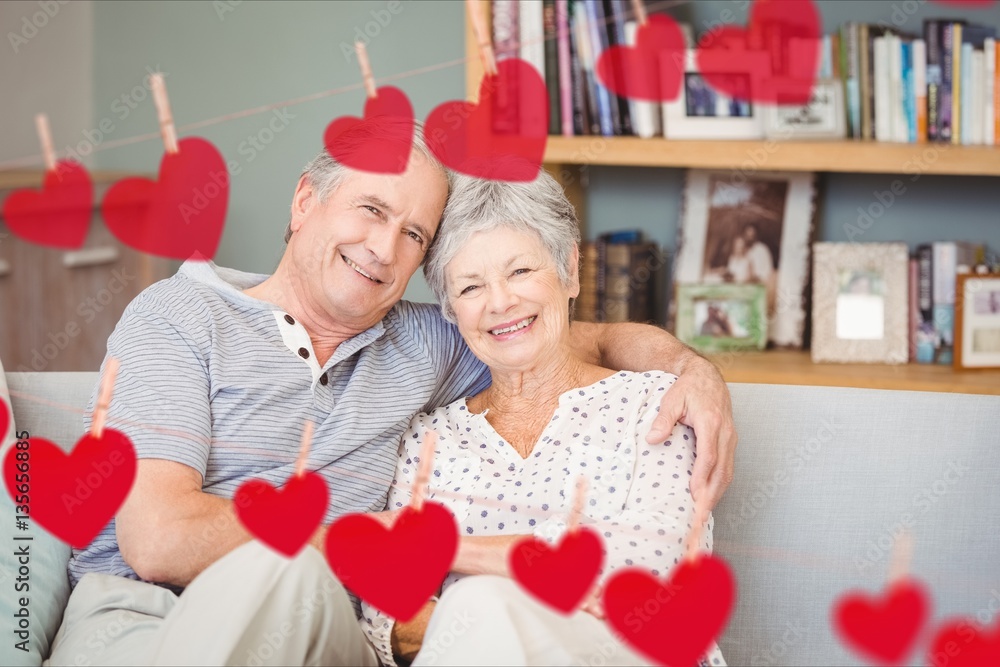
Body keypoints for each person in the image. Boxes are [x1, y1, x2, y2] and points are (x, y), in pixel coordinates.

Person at [45, 121, 736, 665]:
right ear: (305, 200)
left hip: (318, 632)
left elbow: (555, 330)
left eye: (413, 234)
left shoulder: (425, 340)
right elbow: (158, 539)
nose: (383, 248)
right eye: (371, 209)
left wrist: (690, 366)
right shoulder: (180, 316)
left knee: (303, 582)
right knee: (284, 571)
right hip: (146, 624)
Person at [360, 171, 726, 667]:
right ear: (450, 310)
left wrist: (447, 553)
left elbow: (654, 563)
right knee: (479, 612)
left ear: (569, 271)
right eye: (470, 287)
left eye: (520, 272)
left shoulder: (658, 404)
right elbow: (384, 613)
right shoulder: (429, 438)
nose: (499, 302)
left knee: (476, 602)